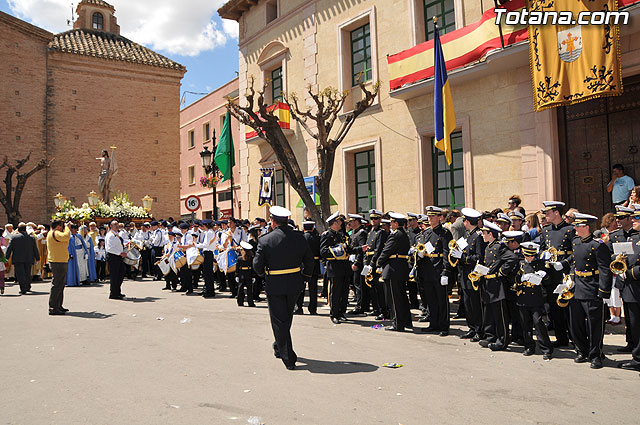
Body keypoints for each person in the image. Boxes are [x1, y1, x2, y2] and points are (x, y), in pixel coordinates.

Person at [253, 206, 314, 370]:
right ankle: (279, 345)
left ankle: (288, 358)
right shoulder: (300, 237)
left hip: (275, 283)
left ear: (272, 222)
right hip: (295, 282)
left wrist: (262, 276)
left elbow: (257, 265)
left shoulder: (265, 240)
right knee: (286, 317)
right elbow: (310, 261)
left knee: (279, 320)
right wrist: (305, 278)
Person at [551, 212, 612, 369]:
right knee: (575, 323)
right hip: (577, 287)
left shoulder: (598, 245)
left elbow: (605, 269)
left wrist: (604, 292)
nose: (575, 228)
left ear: (586, 227)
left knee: (594, 325)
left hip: (591, 287)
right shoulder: (576, 241)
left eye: (578, 225)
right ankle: (582, 350)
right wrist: (565, 267)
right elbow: (574, 260)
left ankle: (595, 354)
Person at [539, 201, 574, 347]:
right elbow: (541, 249)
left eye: (548, 212)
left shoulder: (570, 230)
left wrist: (564, 263)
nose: (545, 215)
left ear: (556, 213)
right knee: (554, 308)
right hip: (551, 273)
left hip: (564, 273)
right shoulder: (546, 230)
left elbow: (576, 252)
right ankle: (561, 338)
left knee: (568, 308)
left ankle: (575, 339)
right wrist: (543, 255)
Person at [417, 206, 453, 336]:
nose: (430, 218)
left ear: (439, 218)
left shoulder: (444, 233)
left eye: (433, 216)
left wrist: (445, 272)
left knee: (441, 300)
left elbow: (447, 253)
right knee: (431, 299)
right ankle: (433, 323)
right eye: (429, 216)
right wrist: (419, 255)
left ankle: (443, 326)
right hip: (427, 269)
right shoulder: (426, 233)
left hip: (439, 269)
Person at [452, 208, 486, 341]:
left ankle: (479, 330)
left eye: (464, 220)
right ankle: (472, 328)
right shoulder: (467, 235)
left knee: (475, 304)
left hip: (473, 275)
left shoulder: (477, 236)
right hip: (465, 274)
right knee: (467, 304)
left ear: (467, 221)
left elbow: (479, 257)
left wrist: (463, 257)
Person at [516, 242, 553, 360]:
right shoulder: (520, 263)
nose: (529, 258)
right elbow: (513, 278)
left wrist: (544, 275)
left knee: (538, 323)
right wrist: (520, 278)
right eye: (527, 255)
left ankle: (546, 348)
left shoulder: (540, 264)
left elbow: (548, 282)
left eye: (532, 255)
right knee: (525, 324)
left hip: (536, 299)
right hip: (523, 298)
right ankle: (529, 346)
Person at [377, 212, 413, 332]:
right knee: (402, 297)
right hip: (400, 268)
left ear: (396, 223)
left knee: (394, 299)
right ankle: (406, 321)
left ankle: (397, 323)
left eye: (392, 222)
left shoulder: (395, 235)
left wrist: (378, 263)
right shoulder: (404, 234)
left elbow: (386, 251)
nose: (390, 224)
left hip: (393, 269)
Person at [617, 210, 640, 370]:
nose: (633, 220)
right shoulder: (633, 237)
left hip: (635, 285)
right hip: (631, 289)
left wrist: (628, 274)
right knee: (635, 324)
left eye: (637, 217)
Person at [320, 212, 351, 324]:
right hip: (334, 267)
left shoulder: (341, 235)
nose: (341, 224)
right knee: (336, 292)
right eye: (339, 222)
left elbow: (347, 248)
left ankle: (342, 312)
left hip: (344, 266)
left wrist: (358, 249)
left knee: (344, 292)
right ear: (334, 223)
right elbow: (323, 251)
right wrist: (336, 251)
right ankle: (334, 314)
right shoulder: (327, 235)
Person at [5, 224, 39, 295]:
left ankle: (23, 288)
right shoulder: (31, 238)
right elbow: (35, 249)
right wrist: (37, 257)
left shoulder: (14, 237)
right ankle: (28, 286)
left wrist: (6, 258)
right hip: (28, 258)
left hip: (18, 258)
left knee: (20, 274)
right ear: (25, 229)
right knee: (27, 273)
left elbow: (9, 248)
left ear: (18, 229)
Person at [47, 221, 72, 315]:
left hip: (60, 261)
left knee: (60, 285)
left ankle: (58, 305)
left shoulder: (53, 233)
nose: (63, 229)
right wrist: (67, 227)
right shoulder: (55, 233)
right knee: (57, 285)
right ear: (58, 227)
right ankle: (53, 307)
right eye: (62, 226)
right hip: (57, 262)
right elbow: (66, 236)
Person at [297, 221, 320, 315]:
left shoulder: (301, 238)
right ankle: (313, 309)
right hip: (315, 264)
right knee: (313, 288)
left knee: (301, 287)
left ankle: (299, 307)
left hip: (303, 264)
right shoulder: (317, 238)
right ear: (312, 228)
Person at [105, 219, 127, 300]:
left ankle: (117, 291)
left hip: (117, 257)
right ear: (111, 226)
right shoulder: (110, 235)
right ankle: (113, 293)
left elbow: (117, 245)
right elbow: (110, 248)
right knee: (115, 275)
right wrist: (120, 253)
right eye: (115, 224)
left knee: (120, 273)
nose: (117, 226)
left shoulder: (116, 234)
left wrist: (125, 244)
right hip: (113, 257)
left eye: (117, 224)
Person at [236, 241, 256, 307]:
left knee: (249, 289)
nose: (241, 251)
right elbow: (237, 267)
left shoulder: (251, 258)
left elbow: (253, 267)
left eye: (242, 250)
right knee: (240, 288)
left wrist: (253, 276)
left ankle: (250, 302)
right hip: (242, 273)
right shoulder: (239, 258)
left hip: (249, 273)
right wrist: (237, 275)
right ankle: (240, 301)